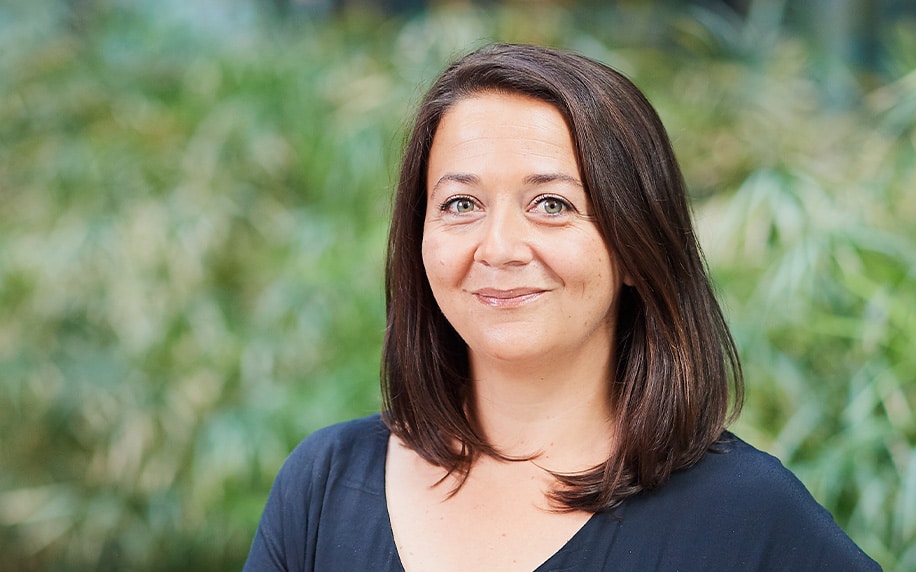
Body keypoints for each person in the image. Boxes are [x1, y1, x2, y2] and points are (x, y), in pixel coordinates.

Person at [244, 43, 881, 571]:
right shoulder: (325, 486)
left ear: (637, 245)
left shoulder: (746, 517)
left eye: (552, 204)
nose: (498, 248)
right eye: (460, 204)